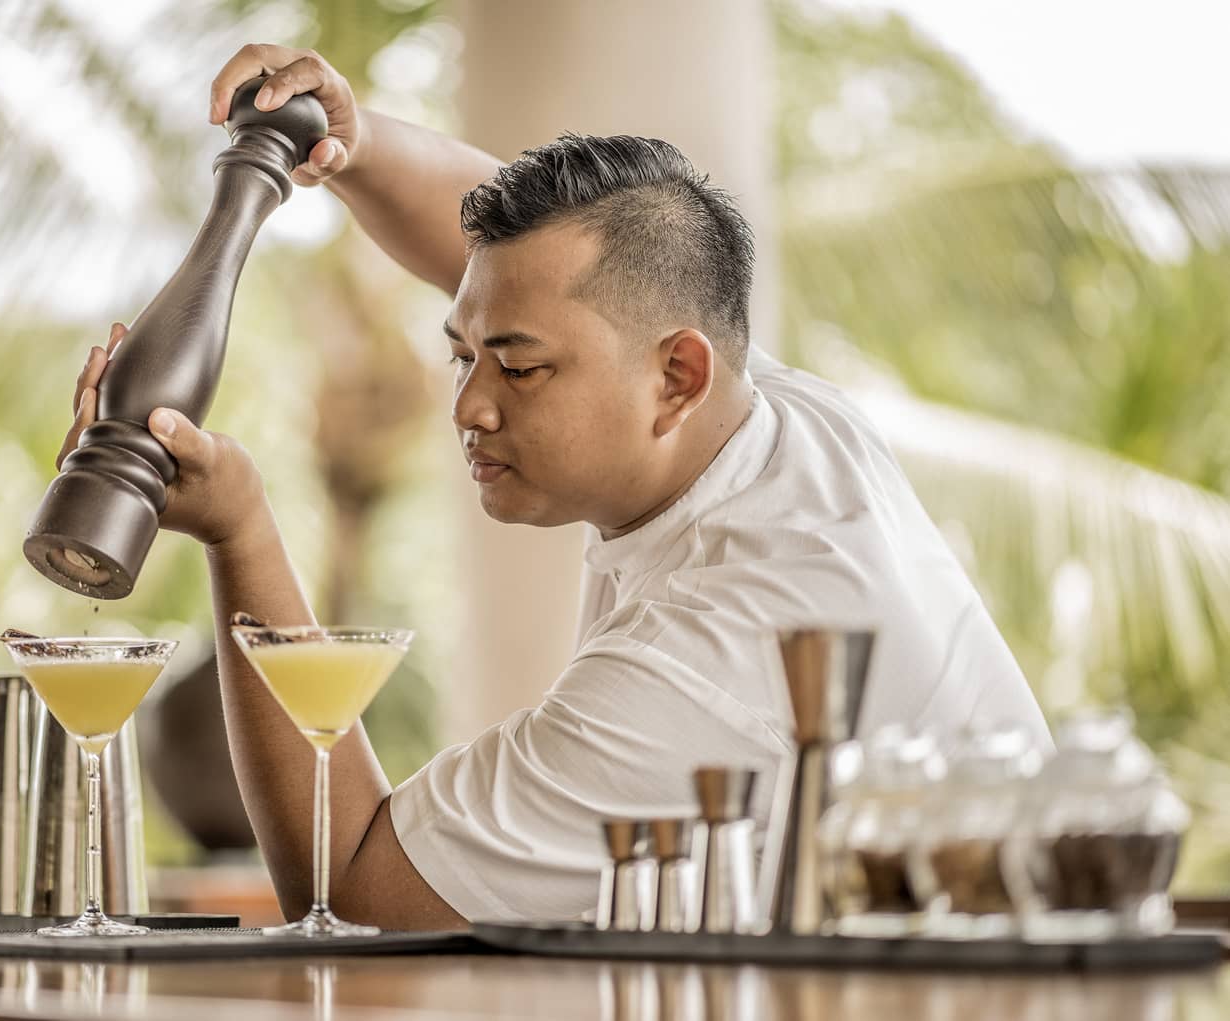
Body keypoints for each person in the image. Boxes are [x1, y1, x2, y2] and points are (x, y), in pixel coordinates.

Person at [57, 44, 1050, 930]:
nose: (470, 408)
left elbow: (358, 891)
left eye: (518, 369)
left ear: (678, 377)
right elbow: (533, 272)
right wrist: (348, 146)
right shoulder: (774, 419)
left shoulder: (710, 650)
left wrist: (240, 534)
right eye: (463, 357)